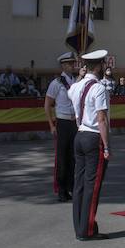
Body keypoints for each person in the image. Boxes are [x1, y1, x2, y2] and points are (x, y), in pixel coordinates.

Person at [68, 49, 112, 240]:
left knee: (79, 184)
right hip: (94, 137)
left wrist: (80, 77)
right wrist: (107, 145)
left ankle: (80, 226)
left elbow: (71, 93)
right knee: (92, 186)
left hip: (80, 135)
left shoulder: (77, 86)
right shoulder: (99, 88)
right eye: (103, 64)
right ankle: (87, 229)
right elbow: (101, 118)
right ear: (100, 66)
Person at [44, 52, 79, 202]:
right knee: (62, 157)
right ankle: (61, 189)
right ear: (63, 65)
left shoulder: (76, 81)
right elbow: (47, 105)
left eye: (73, 63)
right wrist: (52, 125)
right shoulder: (56, 83)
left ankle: (71, 186)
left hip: (74, 123)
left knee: (73, 156)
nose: (72, 65)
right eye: (69, 63)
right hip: (62, 122)